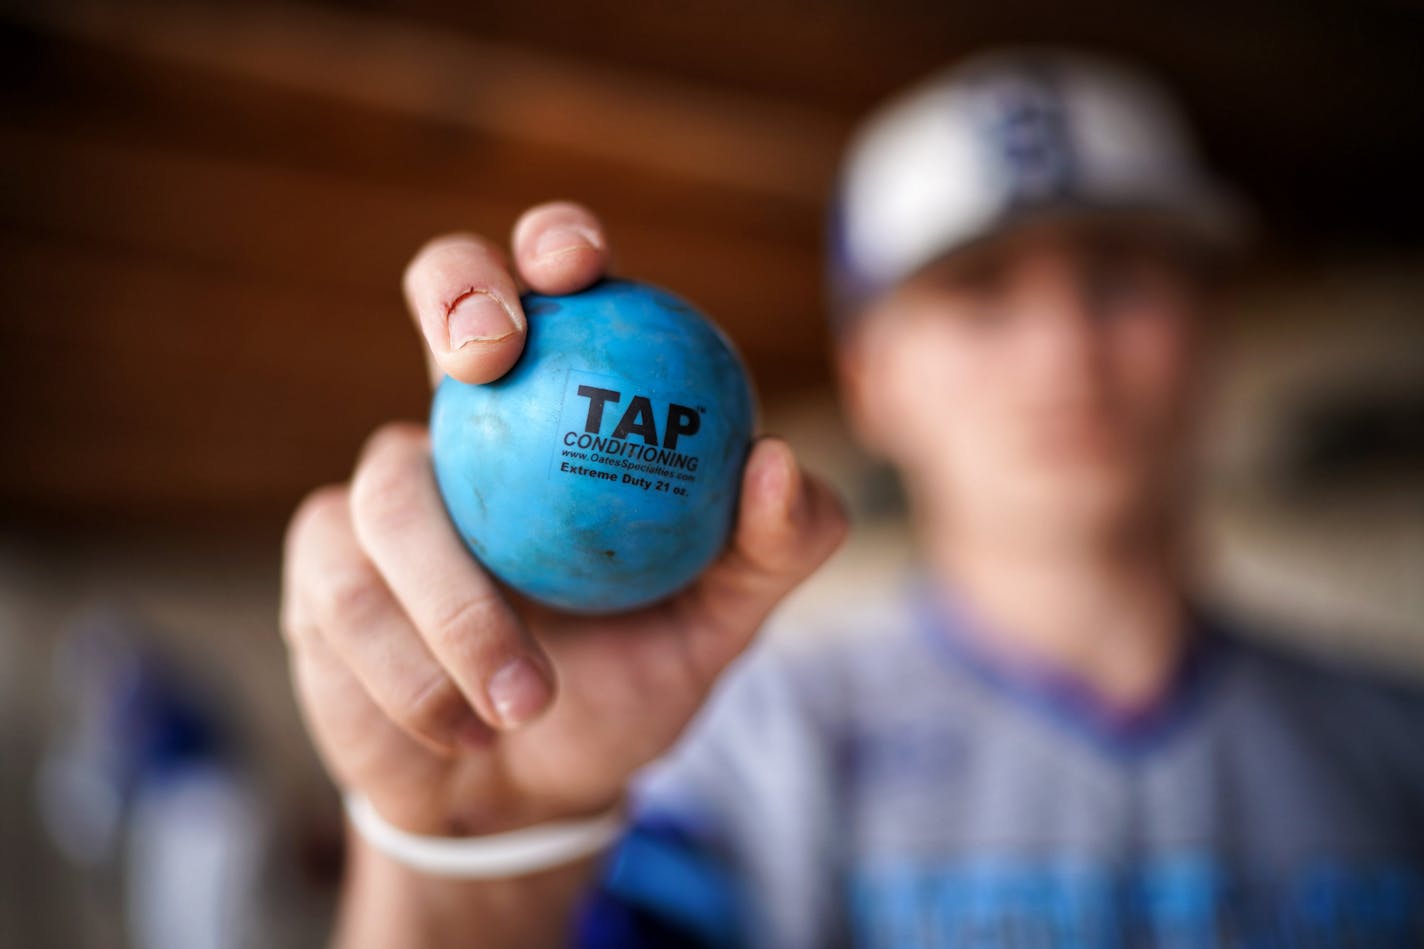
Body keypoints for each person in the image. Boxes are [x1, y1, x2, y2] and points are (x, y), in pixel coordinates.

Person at [280, 50, 1424, 947]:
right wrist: (482, 853)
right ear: (871, 381)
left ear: (1209, 335)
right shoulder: (739, 762)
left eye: (1119, 276)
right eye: (978, 292)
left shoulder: (1397, 748)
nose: (1063, 348)